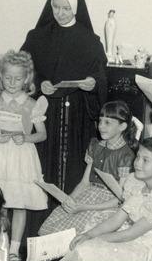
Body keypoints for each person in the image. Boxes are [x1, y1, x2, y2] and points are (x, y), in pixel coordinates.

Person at [20, 0, 108, 203]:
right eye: (55, 7)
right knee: (41, 169)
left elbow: (100, 76)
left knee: (74, 171)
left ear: (75, 9)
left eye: (66, 8)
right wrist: (40, 84)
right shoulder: (37, 37)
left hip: (76, 116)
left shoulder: (90, 41)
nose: (60, 13)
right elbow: (23, 69)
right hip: (45, 114)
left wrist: (92, 83)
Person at [57, 137, 152, 261]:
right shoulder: (138, 186)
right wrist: (88, 235)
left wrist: (94, 240)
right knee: (84, 240)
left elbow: (130, 234)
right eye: (138, 157)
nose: (137, 163)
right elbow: (117, 219)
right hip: (135, 238)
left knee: (87, 250)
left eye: (145, 160)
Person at [0, 50, 48, 261]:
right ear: (1, 77)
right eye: (8, 78)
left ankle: (14, 251)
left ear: (26, 79)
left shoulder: (32, 104)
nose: (12, 82)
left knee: (20, 205)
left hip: (22, 157)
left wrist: (25, 137)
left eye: (17, 79)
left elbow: (42, 134)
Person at [38, 100, 138, 236]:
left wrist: (84, 208)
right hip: (88, 196)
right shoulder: (95, 146)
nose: (101, 126)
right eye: (100, 121)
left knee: (76, 232)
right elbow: (85, 182)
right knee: (55, 225)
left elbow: (121, 198)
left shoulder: (127, 155)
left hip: (107, 205)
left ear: (122, 126)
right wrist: (68, 200)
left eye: (107, 122)